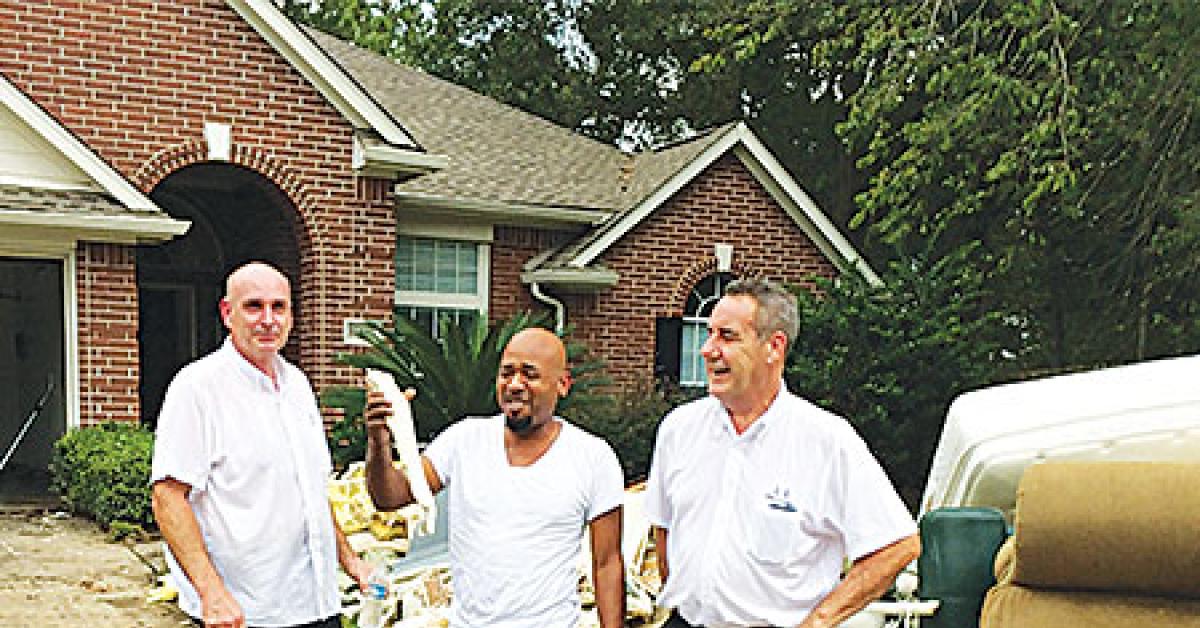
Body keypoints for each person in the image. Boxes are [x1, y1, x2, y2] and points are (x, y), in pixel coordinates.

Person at [645, 278, 921, 628]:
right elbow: (665, 529)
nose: (708, 349)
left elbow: (898, 545)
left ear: (774, 347)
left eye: (727, 336)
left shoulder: (827, 441)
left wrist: (819, 621)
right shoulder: (678, 430)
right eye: (709, 333)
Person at [151, 262, 371, 628]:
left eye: (279, 307)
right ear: (227, 313)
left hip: (316, 602)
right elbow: (168, 497)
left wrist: (351, 562)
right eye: (254, 306)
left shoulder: (297, 386)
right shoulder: (198, 388)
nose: (268, 320)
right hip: (245, 611)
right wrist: (212, 594)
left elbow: (311, 495)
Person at [363, 327, 626, 627]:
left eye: (530, 374)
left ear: (562, 384)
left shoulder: (592, 457)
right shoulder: (463, 441)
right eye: (506, 373)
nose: (515, 384)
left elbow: (607, 564)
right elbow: (390, 497)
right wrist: (380, 441)